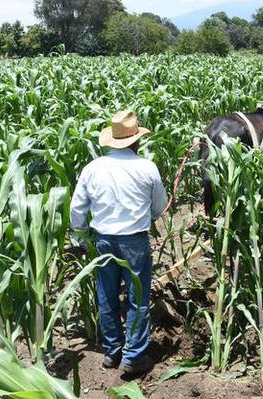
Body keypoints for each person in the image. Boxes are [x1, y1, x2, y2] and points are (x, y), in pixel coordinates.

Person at [70, 110, 167, 374]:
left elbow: (77, 209)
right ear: (136, 141)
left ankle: (112, 352)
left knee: (107, 295)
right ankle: (133, 356)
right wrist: (144, 216)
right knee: (138, 299)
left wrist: (80, 236)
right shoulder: (147, 167)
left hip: (103, 241)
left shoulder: (92, 169)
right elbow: (160, 206)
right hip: (134, 242)